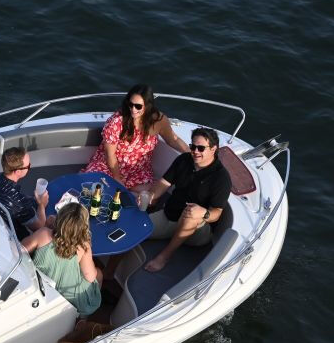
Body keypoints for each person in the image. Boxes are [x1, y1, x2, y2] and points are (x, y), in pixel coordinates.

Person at [143, 127, 232, 272]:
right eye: (193, 147)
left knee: (191, 213)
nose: (195, 151)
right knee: (139, 230)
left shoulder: (221, 178)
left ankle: (164, 256)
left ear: (214, 149)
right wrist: (150, 196)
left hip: (197, 231)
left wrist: (203, 213)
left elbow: (216, 214)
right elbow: (163, 183)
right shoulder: (183, 160)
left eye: (201, 148)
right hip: (170, 216)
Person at [82, 84, 190, 193]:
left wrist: (191, 153)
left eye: (138, 106)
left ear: (148, 106)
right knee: (92, 189)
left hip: (138, 172)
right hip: (110, 168)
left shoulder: (158, 121)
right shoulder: (117, 121)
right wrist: (117, 179)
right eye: (130, 104)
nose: (133, 109)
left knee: (152, 196)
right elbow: (110, 154)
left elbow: (173, 139)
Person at [21, 203, 102, 317]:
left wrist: (47, 225)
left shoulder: (43, 234)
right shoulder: (83, 246)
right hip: (71, 297)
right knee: (99, 274)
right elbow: (90, 276)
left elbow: (20, 249)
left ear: (58, 219)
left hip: (44, 287)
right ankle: (83, 319)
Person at [0, 147, 49, 239]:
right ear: (18, 171)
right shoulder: (19, 202)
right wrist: (42, 205)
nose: (30, 166)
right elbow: (39, 227)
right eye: (28, 166)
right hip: (11, 236)